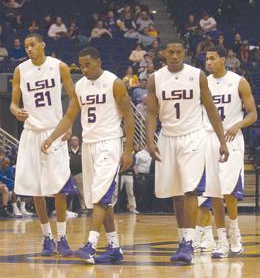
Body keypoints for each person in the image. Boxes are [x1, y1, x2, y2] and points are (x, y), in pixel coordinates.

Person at [41, 46, 134, 264]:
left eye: (87, 64)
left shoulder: (115, 83)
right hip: (89, 144)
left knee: (101, 196)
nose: (84, 69)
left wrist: (128, 150)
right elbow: (68, 117)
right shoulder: (80, 86)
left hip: (109, 143)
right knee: (100, 200)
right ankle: (114, 247)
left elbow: (129, 118)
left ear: (98, 61)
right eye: (81, 65)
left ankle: (91, 244)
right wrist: (51, 137)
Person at [146, 39, 229, 264]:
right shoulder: (155, 78)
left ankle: (189, 243)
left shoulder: (197, 75)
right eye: (170, 52)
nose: (174, 56)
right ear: (163, 53)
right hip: (167, 137)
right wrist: (149, 139)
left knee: (190, 190)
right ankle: (183, 238)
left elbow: (211, 109)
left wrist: (222, 141)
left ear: (184, 53)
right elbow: (152, 112)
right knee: (176, 191)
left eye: (178, 52)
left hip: (193, 136)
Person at [10, 33, 76, 257]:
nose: (29, 49)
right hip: (31, 132)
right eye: (26, 46)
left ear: (42, 45)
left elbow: (74, 98)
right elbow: (12, 102)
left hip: (54, 131)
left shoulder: (59, 67)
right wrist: (14, 110)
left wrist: (69, 125)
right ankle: (47, 237)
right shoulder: (21, 70)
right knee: (36, 188)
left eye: (33, 45)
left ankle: (63, 238)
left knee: (59, 188)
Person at [204, 46, 257, 258]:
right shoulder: (203, 82)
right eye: (206, 58)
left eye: (212, 58)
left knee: (228, 192)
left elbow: (253, 114)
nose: (208, 62)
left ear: (223, 59)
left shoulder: (238, 81)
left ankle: (235, 234)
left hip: (231, 138)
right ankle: (221, 240)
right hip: (209, 137)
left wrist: (238, 125)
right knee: (214, 191)